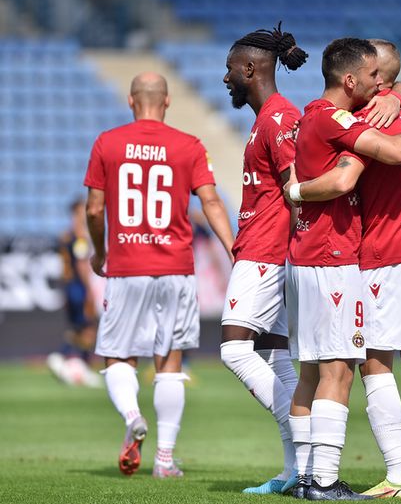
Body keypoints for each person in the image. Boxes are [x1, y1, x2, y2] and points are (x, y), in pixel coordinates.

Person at [284, 39, 401, 498]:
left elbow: (349, 174)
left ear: (377, 78)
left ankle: (397, 478)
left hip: (389, 253)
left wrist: (297, 191)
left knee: (372, 362)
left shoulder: (367, 118)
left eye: (372, 73)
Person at [84, 72, 234, 478]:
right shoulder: (189, 146)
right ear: (167, 102)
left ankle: (132, 415)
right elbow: (212, 201)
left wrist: (101, 252)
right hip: (176, 269)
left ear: (131, 101)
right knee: (170, 362)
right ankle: (164, 460)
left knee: (119, 355)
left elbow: (95, 209)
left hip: (127, 267)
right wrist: (233, 249)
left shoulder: (107, 143)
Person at [218, 24, 308, 495]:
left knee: (234, 350)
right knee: (275, 358)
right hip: (262, 249)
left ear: (251, 69)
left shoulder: (279, 118)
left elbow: (299, 191)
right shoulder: (266, 119)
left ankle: (308, 445)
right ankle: (295, 470)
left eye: (230, 69)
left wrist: (293, 253)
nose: (225, 78)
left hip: (266, 252)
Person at [46, 198, 102, 388]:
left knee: (77, 328)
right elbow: (81, 264)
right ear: (77, 213)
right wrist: (89, 289)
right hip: (79, 286)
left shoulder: (65, 236)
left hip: (69, 286)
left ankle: (72, 361)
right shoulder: (80, 237)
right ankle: (66, 357)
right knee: (88, 328)